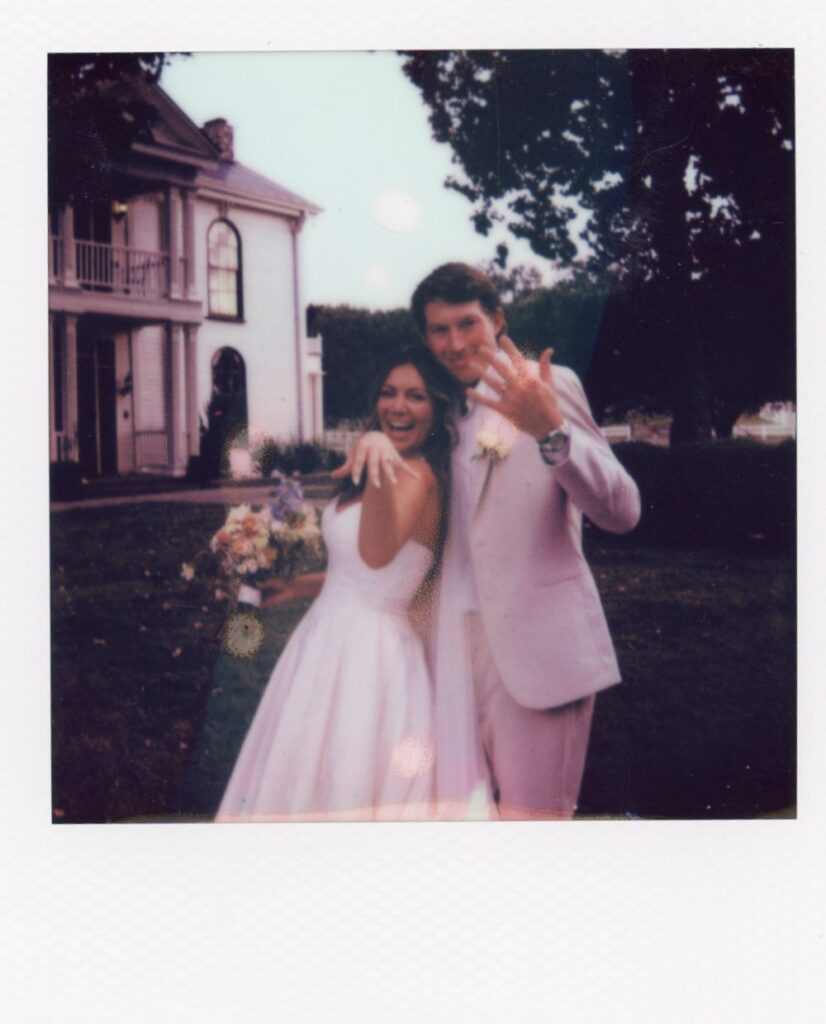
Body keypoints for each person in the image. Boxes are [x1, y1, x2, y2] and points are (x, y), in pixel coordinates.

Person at [349, 263, 641, 820]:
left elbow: (623, 512)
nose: (455, 343)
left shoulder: (548, 386)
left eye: (468, 324)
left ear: (498, 319)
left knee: (533, 829)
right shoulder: (435, 411)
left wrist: (552, 435)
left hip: (536, 651)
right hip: (445, 654)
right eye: (439, 330)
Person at [215, 348, 459, 822]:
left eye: (416, 396)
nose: (398, 407)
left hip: (371, 659)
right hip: (322, 638)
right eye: (389, 394)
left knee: (349, 773)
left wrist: (380, 456)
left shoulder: (419, 476)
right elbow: (363, 573)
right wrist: (300, 584)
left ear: (438, 408)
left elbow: (378, 552)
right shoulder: (378, 473)